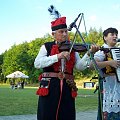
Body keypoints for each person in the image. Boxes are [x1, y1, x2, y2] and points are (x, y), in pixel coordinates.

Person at [34, 16, 99, 120]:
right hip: (50, 86)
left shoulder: (72, 48)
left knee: (66, 114)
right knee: (47, 114)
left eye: (66, 31)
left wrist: (89, 53)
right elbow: (37, 63)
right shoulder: (47, 46)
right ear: (53, 34)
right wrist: (58, 56)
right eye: (61, 32)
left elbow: (80, 67)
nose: (65, 34)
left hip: (67, 85)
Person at [91, 27, 120, 120]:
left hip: (118, 85)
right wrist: (110, 63)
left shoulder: (118, 50)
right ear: (105, 37)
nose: (115, 36)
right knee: (108, 113)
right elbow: (92, 65)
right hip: (108, 84)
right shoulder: (102, 50)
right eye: (112, 34)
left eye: (116, 34)